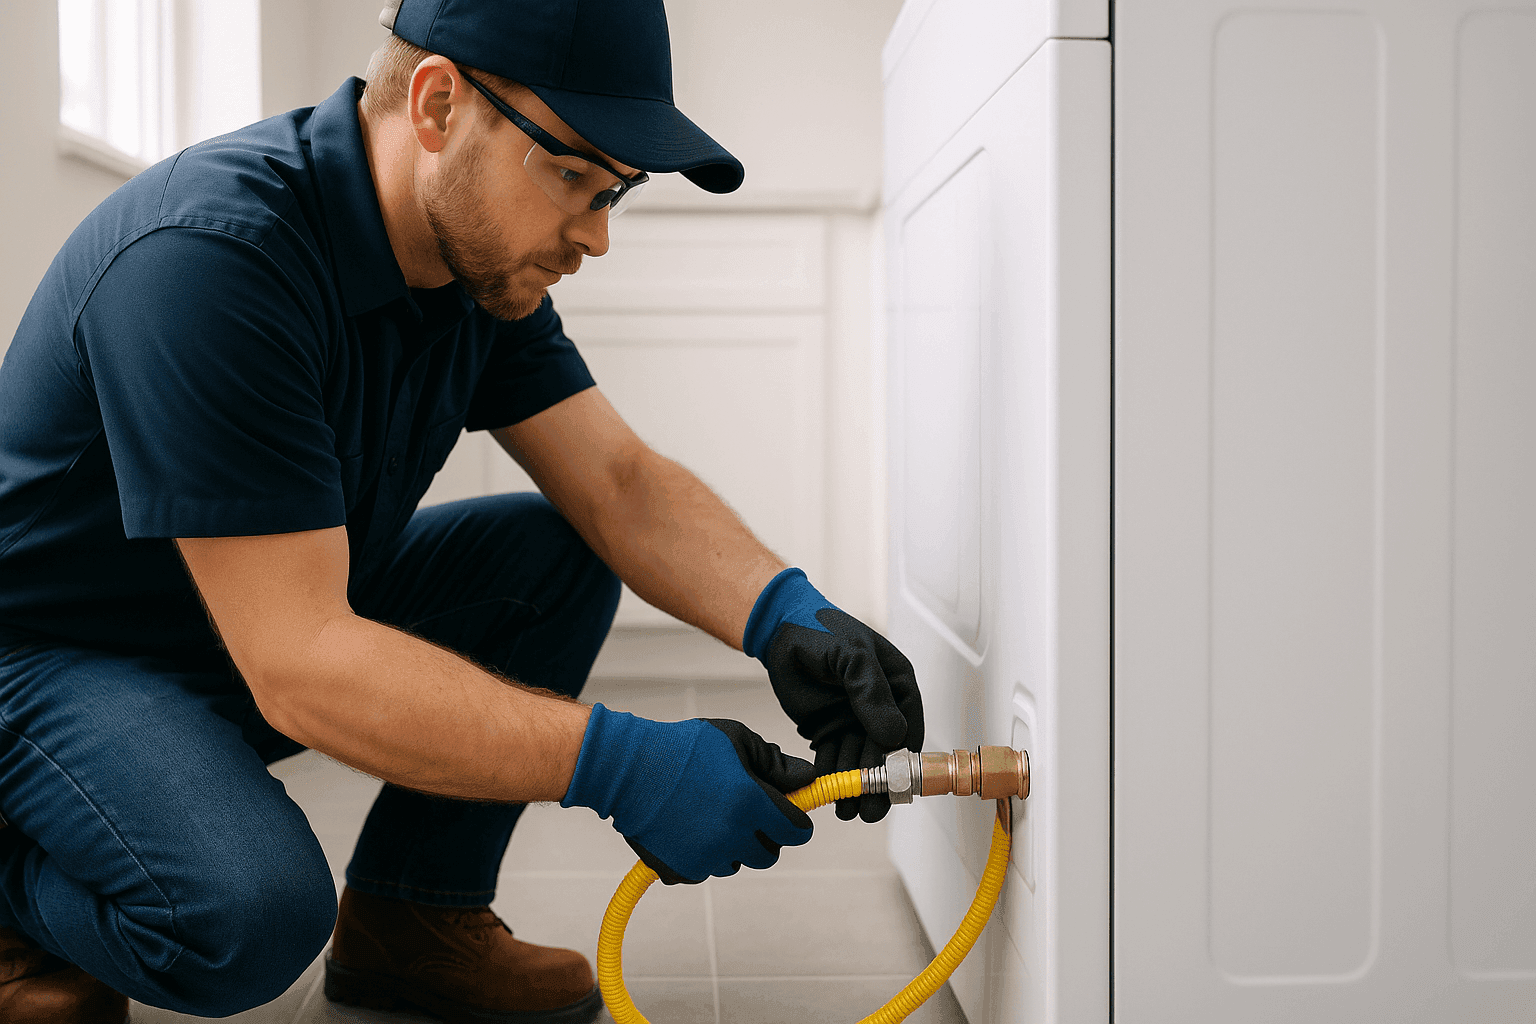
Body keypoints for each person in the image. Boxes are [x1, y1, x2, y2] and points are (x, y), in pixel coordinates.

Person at [0, 0, 924, 1020]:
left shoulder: (472, 268)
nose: (597, 235)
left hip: (222, 643)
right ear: (438, 102)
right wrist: (624, 764)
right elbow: (302, 660)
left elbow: (615, 483)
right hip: (42, 663)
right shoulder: (215, 257)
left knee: (552, 551)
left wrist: (785, 613)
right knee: (245, 913)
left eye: (617, 190)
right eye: (574, 173)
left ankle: (413, 920)